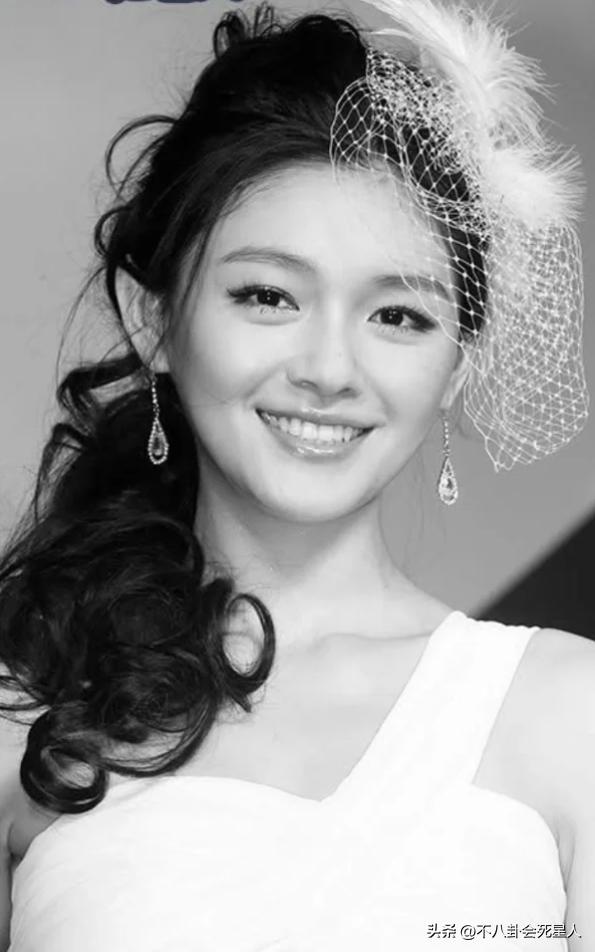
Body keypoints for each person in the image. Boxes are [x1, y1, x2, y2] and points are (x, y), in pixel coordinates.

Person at [0, 1, 592, 949]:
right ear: (155, 320)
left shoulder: (567, 711)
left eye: (397, 315)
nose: (328, 369)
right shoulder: (27, 714)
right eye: (268, 295)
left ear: (458, 366)